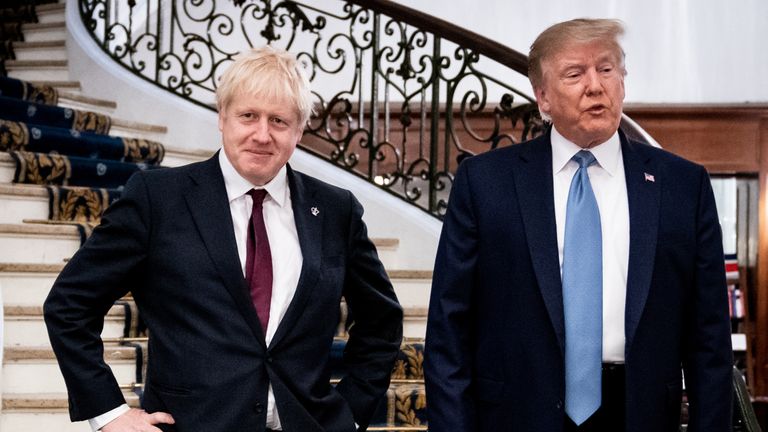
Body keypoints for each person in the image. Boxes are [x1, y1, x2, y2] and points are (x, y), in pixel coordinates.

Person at [44, 45, 403, 432]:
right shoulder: (158, 198)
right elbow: (69, 305)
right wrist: (109, 412)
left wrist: (348, 414)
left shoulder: (336, 210)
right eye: (248, 115)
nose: (262, 135)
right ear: (222, 118)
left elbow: (381, 321)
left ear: (299, 131)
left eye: (279, 121)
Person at [424, 18, 732, 432]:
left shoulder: (682, 186)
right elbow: (449, 329)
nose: (595, 86)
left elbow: (709, 337)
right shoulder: (485, 183)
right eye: (575, 73)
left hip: (639, 413)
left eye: (607, 69)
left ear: (622, 81)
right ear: (543, 97)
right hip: (518, 412)